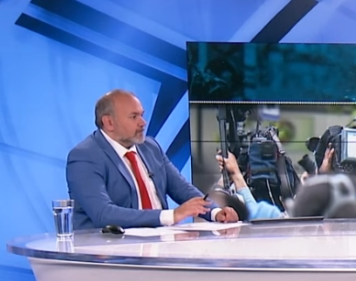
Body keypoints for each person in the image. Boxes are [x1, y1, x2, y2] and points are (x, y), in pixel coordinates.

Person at [66, 89, 239, 230]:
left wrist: (215, 213)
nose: (143, 123)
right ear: (109, 123)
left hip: (158, 243)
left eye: (142, 115)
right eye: (134, 117)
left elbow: (183, 190)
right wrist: (171, 216)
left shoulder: (150, 147)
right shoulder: (84, 156)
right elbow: (103, 214)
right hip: (108, 250)